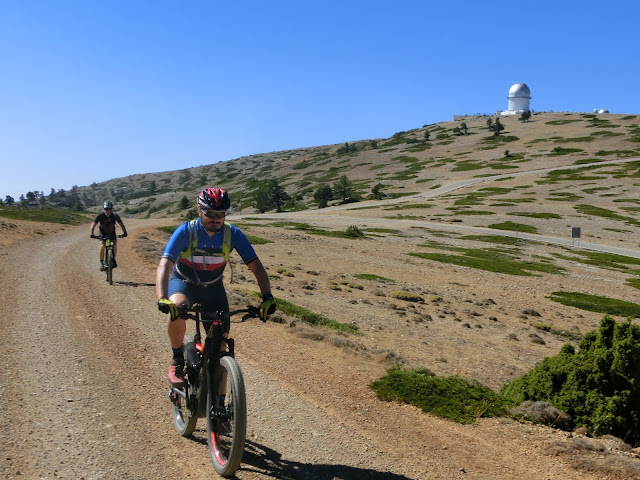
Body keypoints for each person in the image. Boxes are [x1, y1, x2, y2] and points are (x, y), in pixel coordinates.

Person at [155, 187, 276, 385]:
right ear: (200, 211)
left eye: (221, 214)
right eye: (210, 213)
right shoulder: (186, 231)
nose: (216, 219)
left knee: (221, 348)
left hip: (213, 287)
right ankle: (177, 359)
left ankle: (220, 409)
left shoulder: (232, 234)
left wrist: (268, 297)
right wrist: (162, 297)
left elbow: (256, 266)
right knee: (177, 307)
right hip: (184, 282)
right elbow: (164, 265)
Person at [90, 200, 128, 270]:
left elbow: (121, 224)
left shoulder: (115, 216)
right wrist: (91, 233)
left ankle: (113, 259)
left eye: (109, 209)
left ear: (111, 209)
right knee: (102, 245)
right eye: (106, 209)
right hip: (102, 233)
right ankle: (101, 263)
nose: (107, 211)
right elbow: (94, 224)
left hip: (111, 233)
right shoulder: (100, 216)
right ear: (104, 209)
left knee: (114, 245)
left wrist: (125, 232)